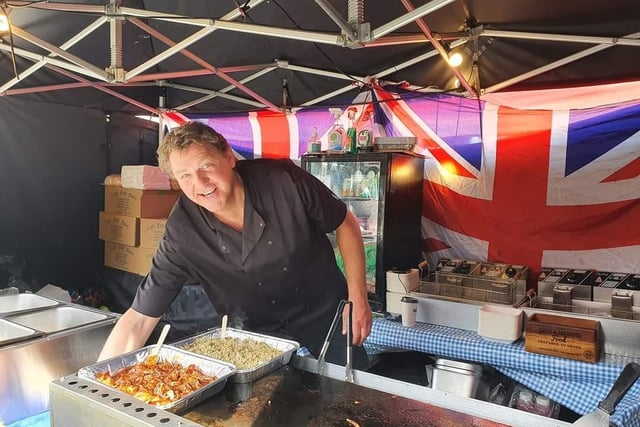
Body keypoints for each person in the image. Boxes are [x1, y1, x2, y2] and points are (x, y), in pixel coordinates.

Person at [98, 121, 372, 369]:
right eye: (185, 176)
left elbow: (344, 222)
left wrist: (358, 295)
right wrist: (98, 387)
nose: (200, 184)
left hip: (325, 310)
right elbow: (140, 318)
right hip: (256, 331)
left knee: (354, 393)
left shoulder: (285, 181)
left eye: (206, 166)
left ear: (229, 156)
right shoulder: (182, 231)